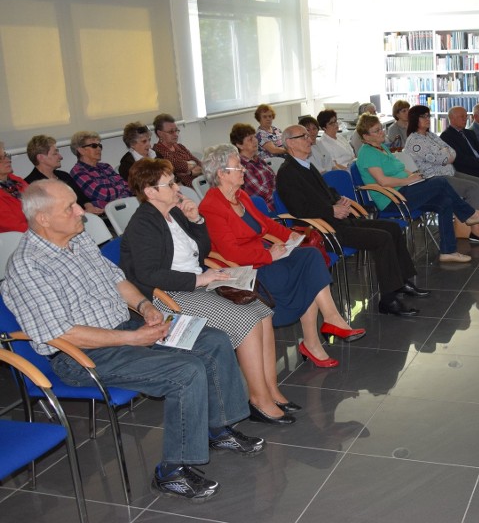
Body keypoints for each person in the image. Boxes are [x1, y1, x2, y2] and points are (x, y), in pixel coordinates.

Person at [2, 179, 264, 502]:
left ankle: (219, 428)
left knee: (212, 340)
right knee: (186, 371)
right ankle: (171, 472)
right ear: (42, 219)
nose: (80, 212)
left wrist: (144, 307)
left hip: (126, 326)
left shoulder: (77, 240)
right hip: (83, 355)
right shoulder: (28, 267)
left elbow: (117, 280)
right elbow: (61, 334)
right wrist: (134, 337)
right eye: (69, 207)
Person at [121, 158, 299, 425]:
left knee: (262, 312)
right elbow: (149, 275)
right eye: (169, 184)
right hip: (169, 297)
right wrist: (199, 280)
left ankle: (271, 389)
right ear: (150, 192)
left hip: (195, 284)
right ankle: (258, 400)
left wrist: (197, 220)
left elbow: (201, 251)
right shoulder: (143, 224)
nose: (177, 187)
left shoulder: (175, 213)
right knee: (246, 320)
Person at [198, 144, 365, 368]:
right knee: (307, 271)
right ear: (221, 173)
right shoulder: (211, 206)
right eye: (237, 167)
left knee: (311, 256)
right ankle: (315, 339)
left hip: (264, 256)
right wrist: (268, 255)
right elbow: (231, 253)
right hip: (248, 269)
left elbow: (266, 224)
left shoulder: (240, 196)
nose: (243, 170)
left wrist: (294, 238)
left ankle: (330, 321)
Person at [276, 124, 429, 316]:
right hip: (324, 230)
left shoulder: (306, 165)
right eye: (303, 136)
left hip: (337, 220)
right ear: (290, 143)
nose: (309, 139)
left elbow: (324, 191)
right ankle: (388, 301)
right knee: (382, 238)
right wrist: (331, 209)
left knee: (392, 228)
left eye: (308, 135)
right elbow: (299, 209)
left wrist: (338, 199)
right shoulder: (287, 173)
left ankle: (401, 283)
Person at [356, 113, 479, 263]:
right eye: (376, 131)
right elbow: (383, 182)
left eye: (381, 128)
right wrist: (408, 180)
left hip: (405, 190)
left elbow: (399, 169)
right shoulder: (367, 153)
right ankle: (469, 214)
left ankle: (448, 251)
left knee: (445, 201)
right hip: (392, 199)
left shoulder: (381, 148)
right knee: (440, 182)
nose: (382, 132)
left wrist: (415, 176)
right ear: (366, 137)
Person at [403, 105, 479, 240]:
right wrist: (445, 155)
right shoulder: (415, 141)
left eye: (428, 116)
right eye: (423, 116)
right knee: (472, 188)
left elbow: (451, 151)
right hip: (435, 178)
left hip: (449, 171)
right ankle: (475, 229)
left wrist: (445, 155)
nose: (427, 119)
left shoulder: (430, 135)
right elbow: (441, 158)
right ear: (414, 119)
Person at [24, 135, 102, 215]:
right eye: (55, 153)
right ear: (41, 158)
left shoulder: (64, 175)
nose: (60, 157)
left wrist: (90, 208)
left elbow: (83, 198)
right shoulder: (31, 185)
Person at [68, 130, 132, 209]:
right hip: (105, 215)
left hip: (123, 207)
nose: (99, 149)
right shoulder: (78, 172)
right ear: (81, 150)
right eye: (94, 146)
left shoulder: (106, 166)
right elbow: (103, 194)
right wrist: (120, 191)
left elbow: (128, 186)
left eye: (99, 146)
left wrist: (118, 201)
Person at [231, 123, 276, 211]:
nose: (255, 141)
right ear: (239, 145)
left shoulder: (257, 159)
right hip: (268, 208)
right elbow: (262, 192)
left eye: (255, 137)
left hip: (277, 200)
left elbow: (274, 179)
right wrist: (283, 194)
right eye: (250, 139)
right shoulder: (242, 166)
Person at [152, 113, 202, 187]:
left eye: (176, 130)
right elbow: (179, 166)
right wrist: (191, 165)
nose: (175, 134)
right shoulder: (158, 151)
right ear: (160, 133)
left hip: (199, 183)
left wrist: (189, 172)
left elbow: (200, 164)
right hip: (183, 188)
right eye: (171, 132)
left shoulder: (180, 147)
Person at [0, 142, 28, 232]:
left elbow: (42, 203)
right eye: (0, 158)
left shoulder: (17, 181)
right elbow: (16, 228)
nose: (8, 160)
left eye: (6, 155)